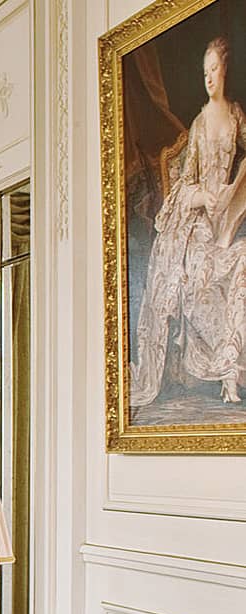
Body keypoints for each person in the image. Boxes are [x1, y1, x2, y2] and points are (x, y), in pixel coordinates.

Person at [130, 37, 246, 406]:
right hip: (195, 220)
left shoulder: (236, 115)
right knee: (196, 276)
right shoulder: (198, 123)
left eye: (214, 70)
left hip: (225, 216)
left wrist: (230, 193)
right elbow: (187, 179)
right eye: (205, 72)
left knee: (239, 263)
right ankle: (220, 369)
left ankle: (231, 371)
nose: (209, 78)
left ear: (225, 70)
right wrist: (202, 197)